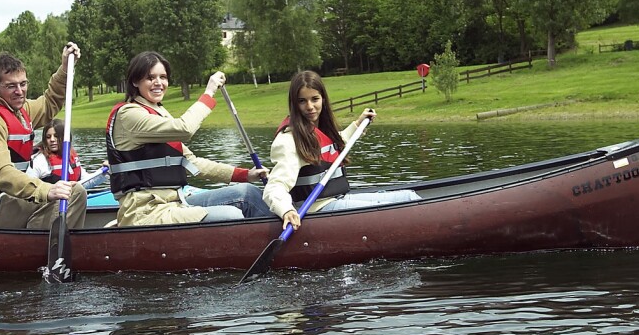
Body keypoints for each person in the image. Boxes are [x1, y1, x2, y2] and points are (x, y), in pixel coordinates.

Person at [105, 51, 274, 226]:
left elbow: (192, 163)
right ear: (135, 81)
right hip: (146, 212)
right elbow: (185, 129)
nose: (158, 83)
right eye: (150, 78)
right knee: (231, 215)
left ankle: (281, 234)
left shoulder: (159, 113)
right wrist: (208, 93)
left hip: (175, 203)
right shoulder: (128, 115)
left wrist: (245, 175)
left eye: (163, 77)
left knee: (248, 193)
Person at [264, 70, 419, 230]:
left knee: (409, 196)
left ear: (323, 99)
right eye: (302, 101)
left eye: (315, 99)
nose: (310, 107)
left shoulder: (319, 130)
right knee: (406, 204)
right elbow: (275, 185)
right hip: (316, 210)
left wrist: (357, 125)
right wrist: (286, 210)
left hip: (336, 199)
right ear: (294, 104)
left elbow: (331, 147)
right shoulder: (288, 140)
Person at [0, 43, 87, 230]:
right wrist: (46, 190)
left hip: (10, 200)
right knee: (69, 193)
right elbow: (2, 173)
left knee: (74, 190)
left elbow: (49, 102)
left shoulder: (20, 110)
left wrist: (65, 69)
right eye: (11, 86)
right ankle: (39, 244)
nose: (19, 91)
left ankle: (39, 239)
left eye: (23, 84)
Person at [27, 120, 109, 191]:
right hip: (49, 202)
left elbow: (86, 183)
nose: (52, 140)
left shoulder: (71, 157)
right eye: (48, 137)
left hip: (71, 200)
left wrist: (105, 173)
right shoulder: (39, 161)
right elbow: (28, 189)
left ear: (65, 137)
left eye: (56, 136)